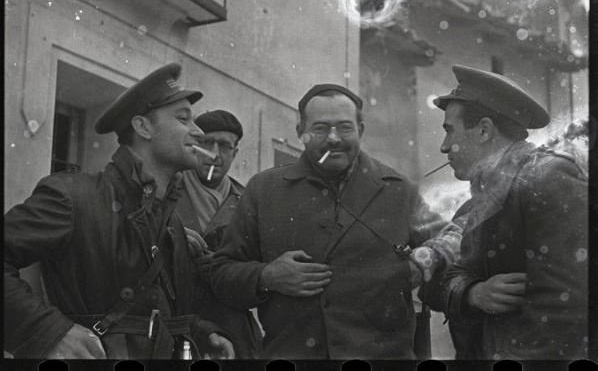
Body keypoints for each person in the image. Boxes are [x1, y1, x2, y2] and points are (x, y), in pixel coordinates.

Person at [199, 84, 461, 359]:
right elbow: (222, 273)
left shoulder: (397, 190)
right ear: (301, 132)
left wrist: (423, 259)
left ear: (360, 130)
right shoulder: (264, 190)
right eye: (321, 128)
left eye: (344, 128)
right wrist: (267, 277)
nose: (334, 138)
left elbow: (454, 238)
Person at [4, 63, 235, 359]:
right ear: (143, 127)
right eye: (183, 119)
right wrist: (47, 332)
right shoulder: (73, 197)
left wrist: (202, 332)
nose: (198, 131)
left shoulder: (171, 223)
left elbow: (151, 312)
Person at [430, 64, 588, 359]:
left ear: (484, 130)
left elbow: (567, 311)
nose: (444, 146)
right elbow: (444, 279)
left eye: (450, 131)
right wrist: (473, 293)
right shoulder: (479, 201)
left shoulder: (549, 180)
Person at [176, 110, 263, 358]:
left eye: (224, 145)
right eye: (206, 142)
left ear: (235, 153)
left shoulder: (248, 201)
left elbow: (258, 273)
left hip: (232, 328)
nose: (214, 153)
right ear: (194, 145)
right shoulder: (167, 189)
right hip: (175, 322)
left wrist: (222, 267)